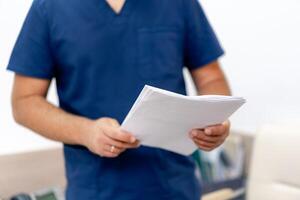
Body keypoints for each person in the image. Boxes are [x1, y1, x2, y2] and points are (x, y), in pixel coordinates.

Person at [7, 0, 231, 199]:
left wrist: (214, 120)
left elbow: (211, 79)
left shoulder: (179, 4)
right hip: (94, 189)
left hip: (175, 187)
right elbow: (24, 102)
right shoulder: (50, 7)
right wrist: (85, 131)